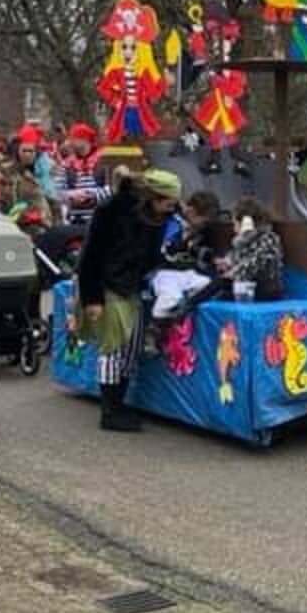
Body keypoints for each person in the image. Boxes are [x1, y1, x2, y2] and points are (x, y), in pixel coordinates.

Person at [75, 168, 180, 431]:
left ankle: (119, 404)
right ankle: (109, 411)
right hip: (106, 284)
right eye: (168, 204)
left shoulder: (156, 218)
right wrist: (92, 298)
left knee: (130, 348)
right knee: (113, 348)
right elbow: (90, 255)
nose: (171, 210)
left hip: (130, 285)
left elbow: (150, 255)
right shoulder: (111, 210)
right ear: (154, 198)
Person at [149, 190, 225, 319]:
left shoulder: (198, 231)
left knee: (210, 284)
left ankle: (184, 309)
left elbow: (196, 253)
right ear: (191, 212)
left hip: (185, 273)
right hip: (162, 272)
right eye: (203, 221)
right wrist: (185, 238)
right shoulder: (172, 224)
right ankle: (159, 319)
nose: (204, 225)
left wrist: (213, 259)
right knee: (171, 294)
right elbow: (165, 253)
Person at [223, 196, 285, 301]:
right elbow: (236, 258)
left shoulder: (268, 239)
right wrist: (227, 263)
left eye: (235, 223)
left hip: (264, 290)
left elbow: (252, 265)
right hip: (246, 285)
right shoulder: (243, 241)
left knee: (219, 285)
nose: (234, 228)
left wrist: (231, 273)